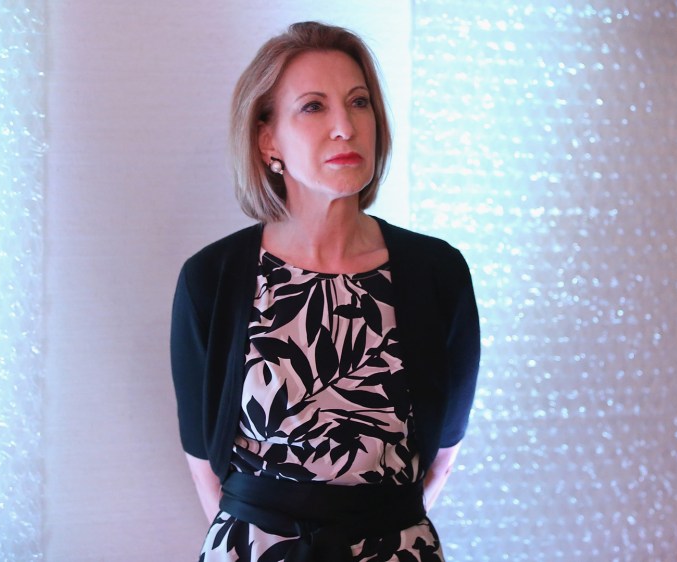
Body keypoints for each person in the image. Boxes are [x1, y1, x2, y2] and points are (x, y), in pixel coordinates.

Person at [170, 21, 480, 562]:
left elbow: (441, 460)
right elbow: (205, 471)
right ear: (268, 140)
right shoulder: (211, 279)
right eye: (313, 107)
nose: (345, 126)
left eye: (359, 103)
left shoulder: (438, 272)